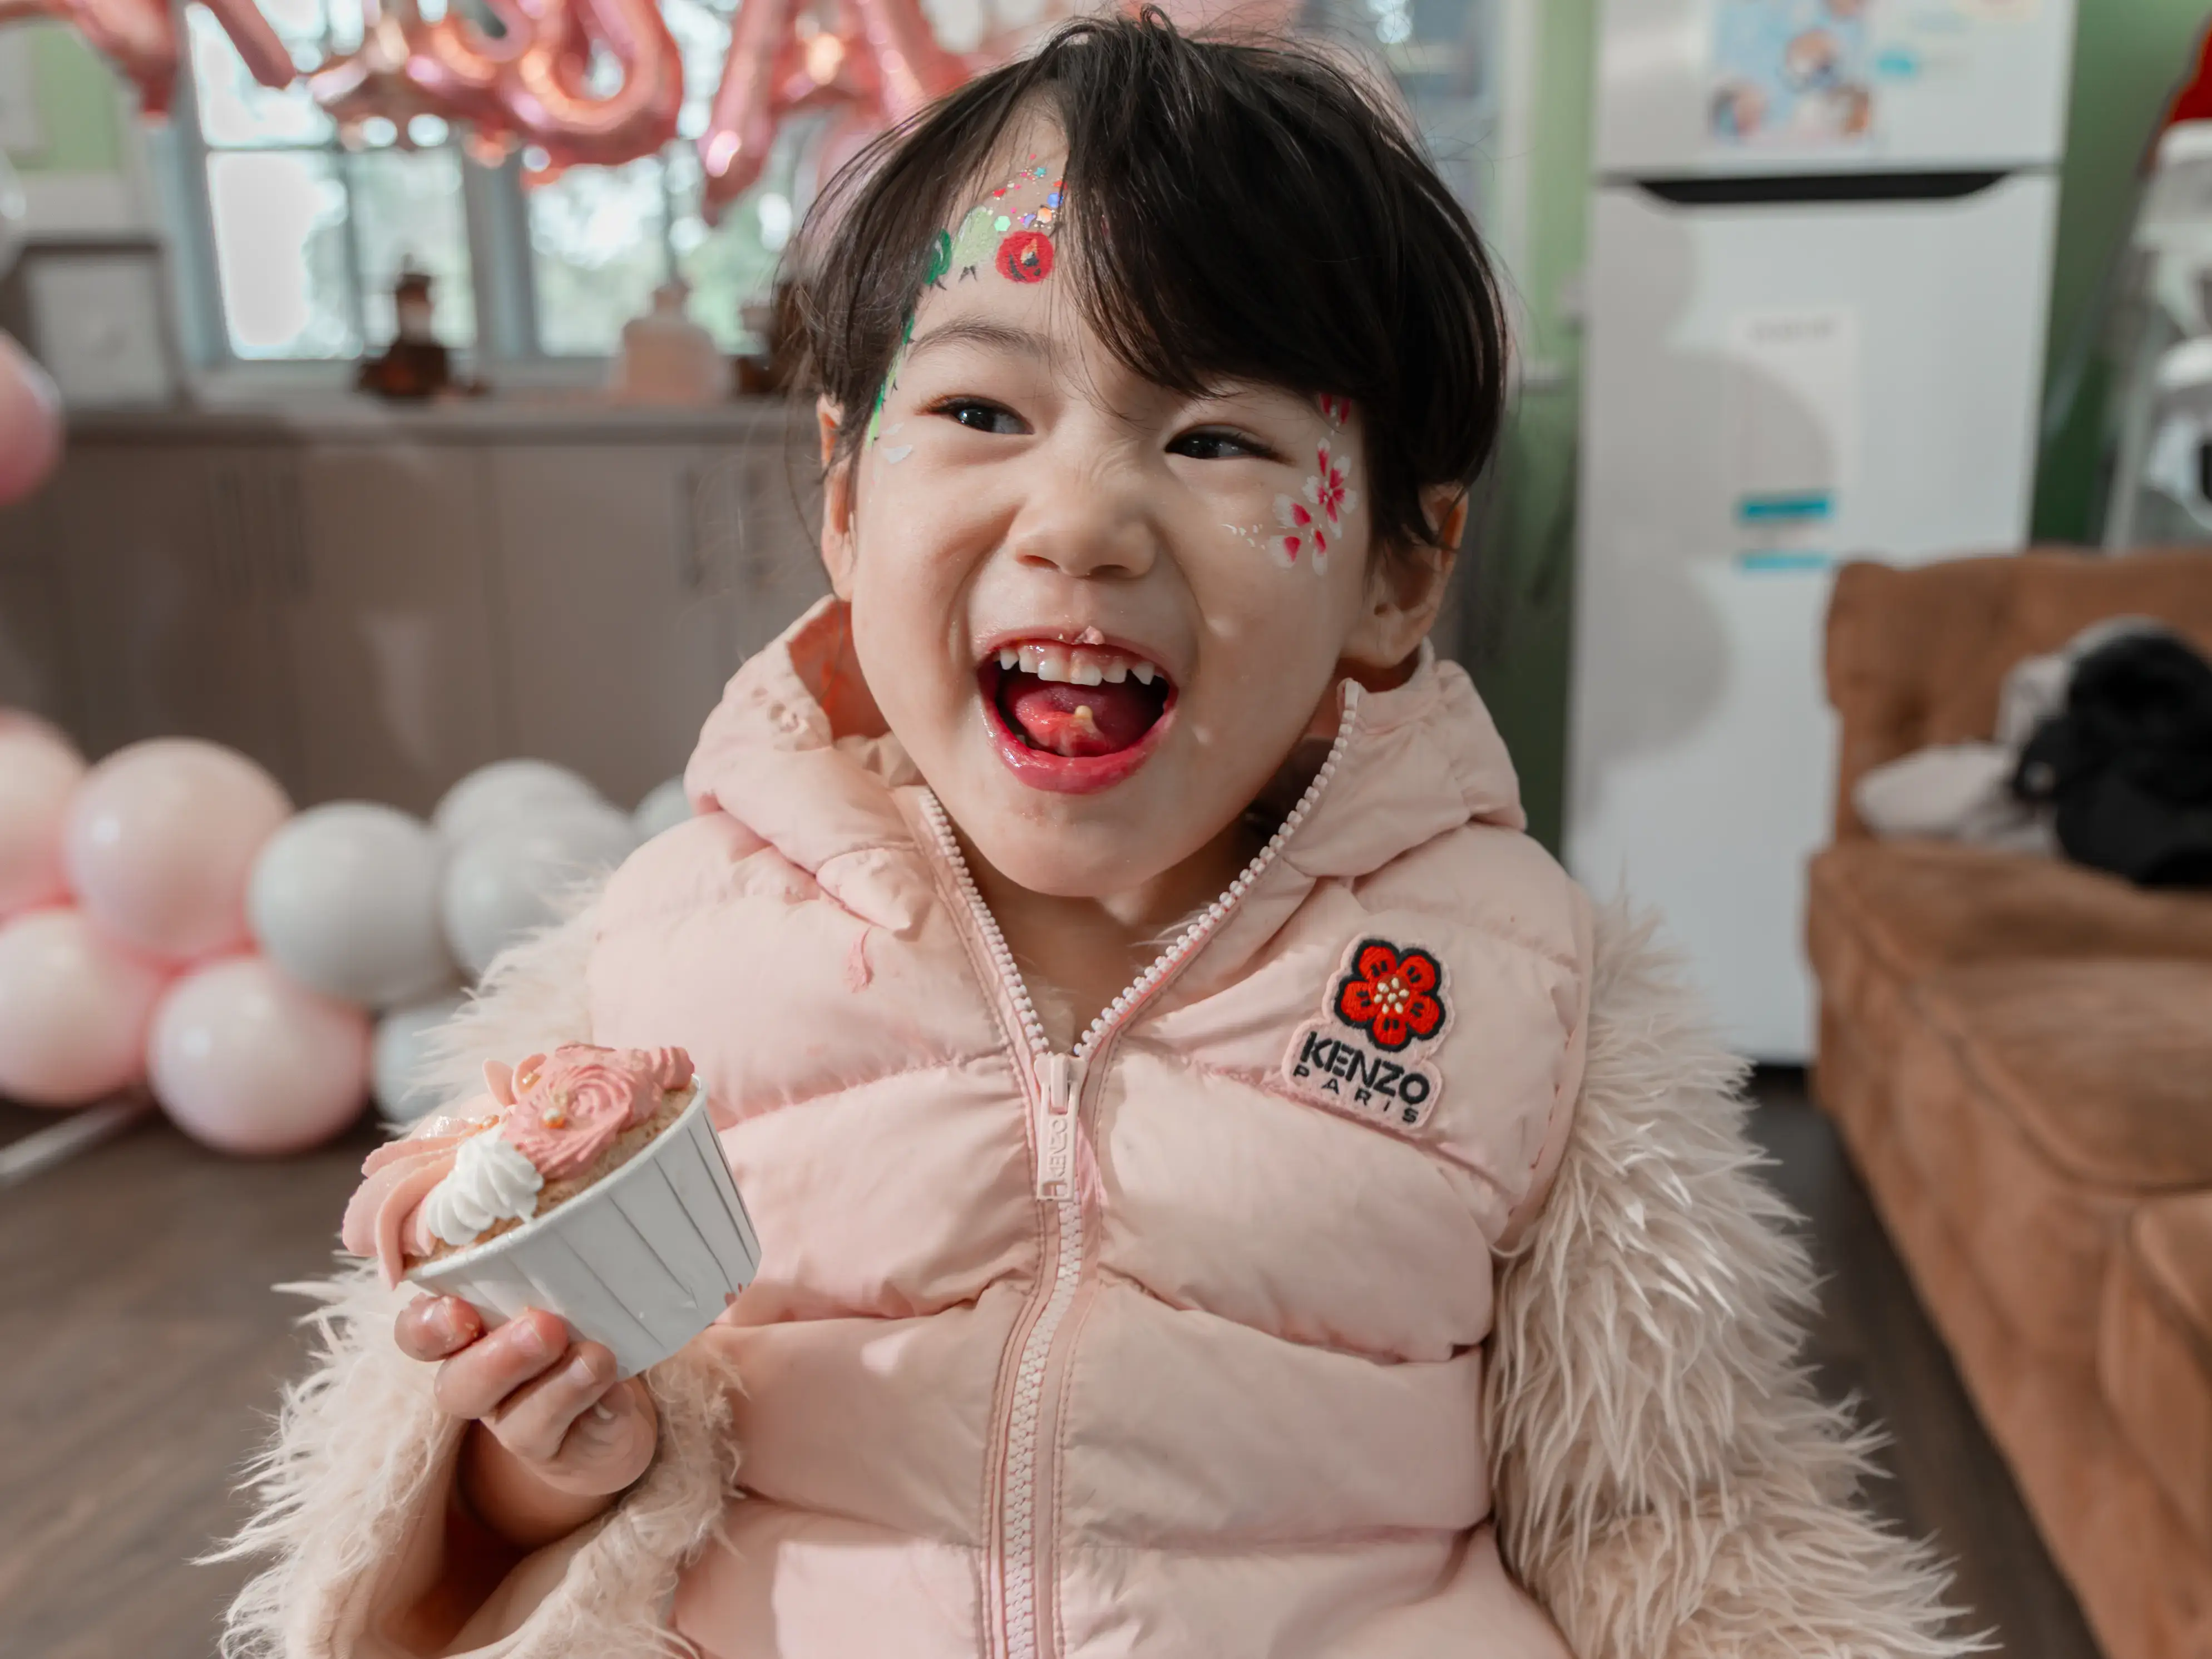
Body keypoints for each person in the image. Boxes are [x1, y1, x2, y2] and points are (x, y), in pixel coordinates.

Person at [218, 14, 1969, 1658]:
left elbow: (1672, 1520)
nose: (1081, 522)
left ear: (1399, 572)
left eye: (1216, 436)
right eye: (982, 411)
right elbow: (493, 1512)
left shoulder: (1524, 990)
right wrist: (551, 1455)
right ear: (844, 501)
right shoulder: (662, 967)